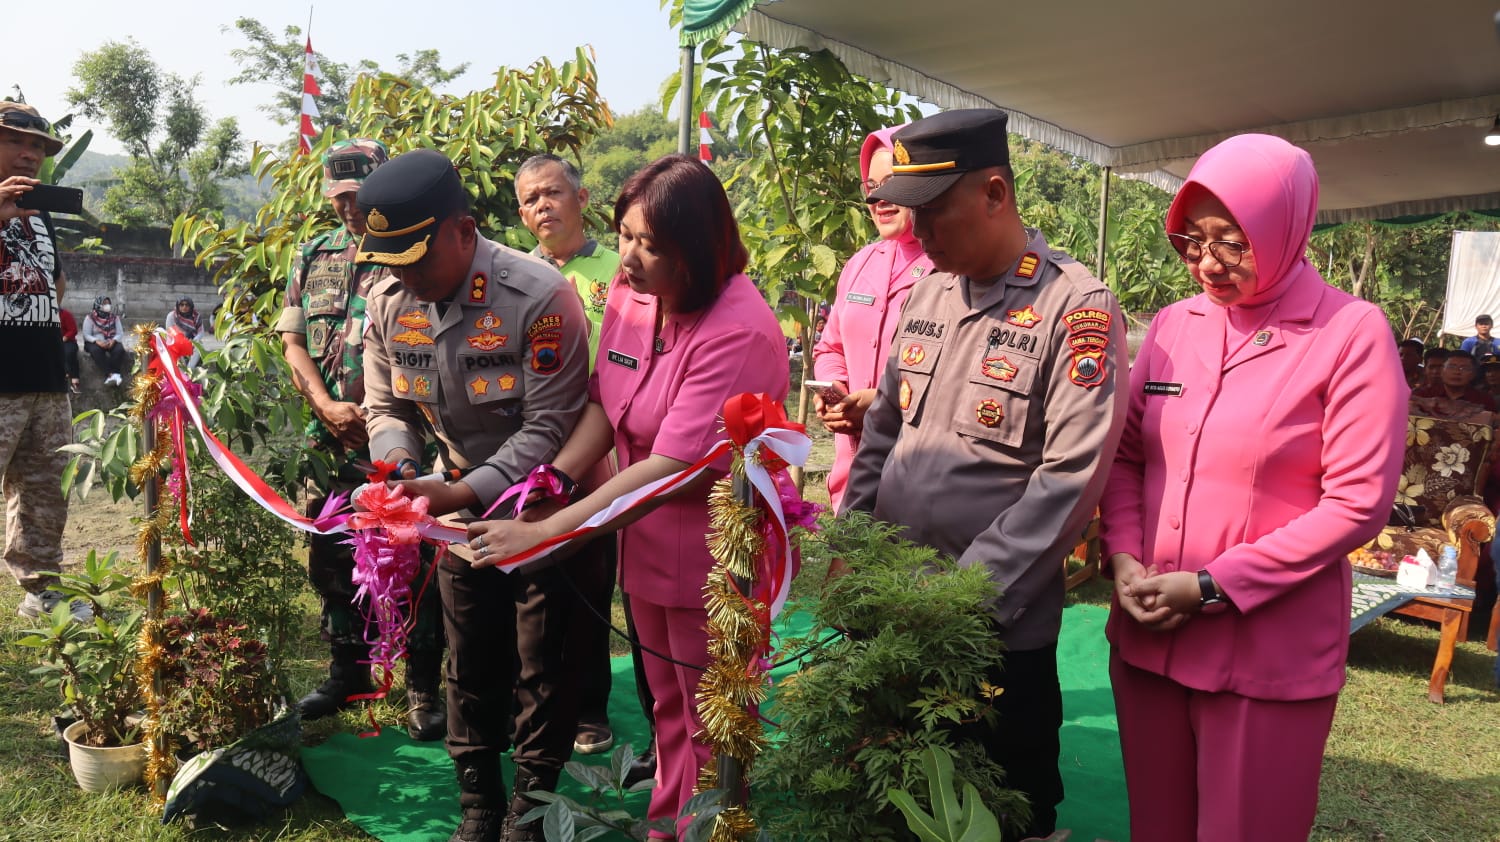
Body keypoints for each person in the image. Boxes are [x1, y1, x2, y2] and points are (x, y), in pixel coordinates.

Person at [467, 154, 789, 839]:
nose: (631, 258)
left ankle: (707, 826)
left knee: (712, 711)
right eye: (625, 236)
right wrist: (548, 484)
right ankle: (669, 818)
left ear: (697, 252)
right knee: (667, 702)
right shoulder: (632, 291)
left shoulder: (739, 327)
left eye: (652, 246)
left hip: (709, 553)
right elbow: (604, 405)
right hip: (640, 540)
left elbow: (674, 466)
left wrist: (552, 532)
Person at [1099, 134, 1407, 842]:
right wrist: (1123, 559)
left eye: (1231, 242)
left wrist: (1211, 585)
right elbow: (1126, 458)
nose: (1207, 262)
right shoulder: (1176, 325)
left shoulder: (1349, 333)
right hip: (1148, 637)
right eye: (1190, 239)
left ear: (1287, 227)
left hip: (1264, 651)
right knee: (1158, 827)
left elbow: (1357, 502)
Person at [844, 109, 1127, 841]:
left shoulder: (1076, 307)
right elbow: (883, 433)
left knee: (999, 814)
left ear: (995, 193)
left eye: (936, 214)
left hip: (991, 634)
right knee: (893, 803)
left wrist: (958, 596)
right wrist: (850, 545)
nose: (921, 234)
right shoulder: (928, 293)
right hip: (893, 609)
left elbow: (1070, 477)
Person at [356, 148, 590, 842]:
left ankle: (533, 807)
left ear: (464, 230)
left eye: (417, 258)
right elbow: (386, 408)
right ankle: (480, 802)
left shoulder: (540, 294)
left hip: (547, 505)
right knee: (471, 659)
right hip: (452, 506)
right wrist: (399, 472)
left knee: (542, 663)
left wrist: (457, 492)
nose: (403, 275)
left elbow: (550, 424)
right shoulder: (389, 300)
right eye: (390, 260)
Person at [274, 139, 447, 741]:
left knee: (417, 561)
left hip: (406, 441)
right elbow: (293, 341)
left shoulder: (411, 250)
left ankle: (424, 685)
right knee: (333, 562)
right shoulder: (311, 255)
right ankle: (347, 670)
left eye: (356, 196)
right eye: (338, 197)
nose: (347, 208)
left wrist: (381, 418)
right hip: (330, 445)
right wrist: (324, 405)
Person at [514, 153, 625, 760]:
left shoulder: (622, 268)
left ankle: (590, 707)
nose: (542, 207)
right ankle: (532, 701)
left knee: (590, 572)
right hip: (530, 438)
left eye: (552, 193)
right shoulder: (515, 275)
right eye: (530, 200)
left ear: (582, 199)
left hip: (603, 437)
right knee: (531, 575)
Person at [812, 123, 935, 512]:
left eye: (893, 182)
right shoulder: (860, 263)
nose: (879, 198)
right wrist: (833, 387)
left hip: (918, 471)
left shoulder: (948, 268)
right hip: (852, 468)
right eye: (871, 186)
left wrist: (883, 403)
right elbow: (830, 345)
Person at [0, 101, 89, 622]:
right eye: (17, 142)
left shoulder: (41, 210)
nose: (30, 155)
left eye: (38, 147)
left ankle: (41, 589)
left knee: (42, 489)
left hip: (42, 375)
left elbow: (54, 281)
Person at [1414, 352, 1496, 412]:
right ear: (1442, 371)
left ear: (1473, 374)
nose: (1457, 372)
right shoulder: (1423, 396)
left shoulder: (1484, 401)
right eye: (1451, 367)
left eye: (1464, 368)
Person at [81, 294, 127, 385]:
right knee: (96, 351)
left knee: (119, 350)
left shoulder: (114, 317)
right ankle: (110, 374)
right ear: (98, 305)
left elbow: (120, 333)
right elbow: (86, 334)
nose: (108, 306)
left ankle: (116, 374)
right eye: (105, 303)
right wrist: (97, 342)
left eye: (109, 303)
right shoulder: (90, 318)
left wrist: (113, 341)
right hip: (94, 341)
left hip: (110, 340)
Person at [164, 296, 206, 368]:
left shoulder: (196, 316)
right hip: (176, 341)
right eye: (181, 305)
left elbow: (201, 332)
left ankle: (189, 369)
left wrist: (194, 341)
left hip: (191, 341)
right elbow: (169, 331)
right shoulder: (172, 316)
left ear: (191, 306)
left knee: (199, 346)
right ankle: (182, 370)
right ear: (178, 305)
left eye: (187, 305)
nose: (184, 307)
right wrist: (182, 340)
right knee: (176, 348)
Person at [60, 306, 80, 393]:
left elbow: (73, 330)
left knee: (69, 353)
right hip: (52, 341)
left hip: (68, 341)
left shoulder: (65, 314)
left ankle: (74, 379)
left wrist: (65, 338)